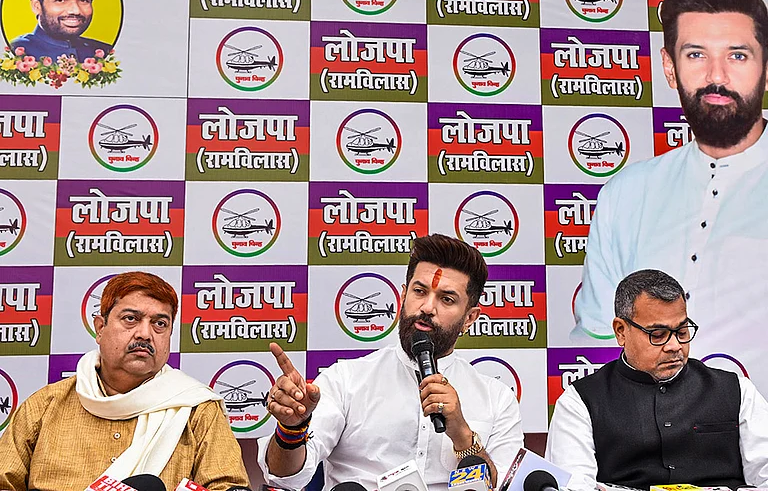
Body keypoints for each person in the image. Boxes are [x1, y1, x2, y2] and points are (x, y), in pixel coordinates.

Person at [573, 0, 768, 393]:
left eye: (737, 55)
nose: (717, 76)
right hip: (645, 450)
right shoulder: (626, 194)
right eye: (696, 54)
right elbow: (596, 342)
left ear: (766, 67)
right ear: (669, 66)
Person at [256, 234, 524, 491]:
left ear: (469, 318)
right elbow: (285, 477)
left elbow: (505, 486)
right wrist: (291, 429)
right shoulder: (346, 380)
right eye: (420, 291)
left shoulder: (497, 399)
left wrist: (462, 434)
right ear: (403, 296)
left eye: (446, 299)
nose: (428, 307)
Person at [0, 272, 249, 491]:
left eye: (159, 324)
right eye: (131, 319)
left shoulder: (198, 410)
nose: (144, 333)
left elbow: (228, 487)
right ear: (100, 328)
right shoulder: (44, 406)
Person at [549, 269, 768, 490]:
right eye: (658, 335)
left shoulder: (736, 391)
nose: (674, 346)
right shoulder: (581, 402)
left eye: (682, 332)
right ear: (621, 331)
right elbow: (573, 485)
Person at [10, 0, 112, 61]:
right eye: (60, 0)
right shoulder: (15, 52)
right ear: (37, 6)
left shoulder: (105, 51)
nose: (75, 11)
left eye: (84, 1)